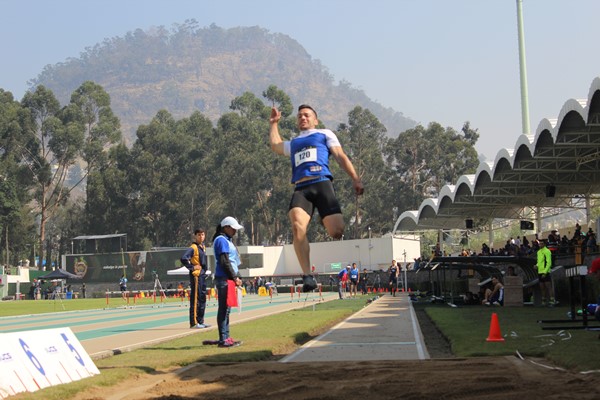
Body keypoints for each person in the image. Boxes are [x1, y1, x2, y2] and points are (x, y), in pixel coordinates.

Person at [269, 104, 364, 292]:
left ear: (315, 120)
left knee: (337, 231)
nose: (302, 118)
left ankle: (323, 216)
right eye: (299, 116)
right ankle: (307, 276)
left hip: (322, 184)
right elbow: (276, 145)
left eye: (306, 115)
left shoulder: (324, 134)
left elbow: (340, 156)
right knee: (297, 227)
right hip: (301, 189)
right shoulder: (294, 142)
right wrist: (273, 123)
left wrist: (355, 178)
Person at [212, 216, 244, 348]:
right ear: (226, 227)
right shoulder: (221, 240)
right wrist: (234, 277)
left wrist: (238, 276)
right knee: (224, 309)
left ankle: (227, 337)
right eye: (233, 229)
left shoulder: (227, 240)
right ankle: (223, 339)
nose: (235, 232)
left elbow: (233, 262)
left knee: (227, 310)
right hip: (224, 278)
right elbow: (224, 261)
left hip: (229, 278)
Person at [180, 228, 211, 329]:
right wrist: (192, 267)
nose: (201, 237)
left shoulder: (202, 247)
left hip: (202, 275)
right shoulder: (193, 247)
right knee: (196, 299)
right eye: (199, 235)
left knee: (202, 298)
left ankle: (201, 321)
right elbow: (184, 258)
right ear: (195, 236)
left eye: (202, 234)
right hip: (196, 276)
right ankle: (193, 322)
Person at [536, 240, 554, 306]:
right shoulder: (538, 252)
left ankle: (552, 300)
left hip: (545, 272)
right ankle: (544, 300)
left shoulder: (547, 251)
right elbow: (539, 261)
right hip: (540, 271)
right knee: (542, 287)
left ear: (544, 244)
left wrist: (545, 272)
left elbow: (549, 262)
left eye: (541, 244)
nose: (540, 245)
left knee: (548, 286)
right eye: (539, 244)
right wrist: (537, 265)